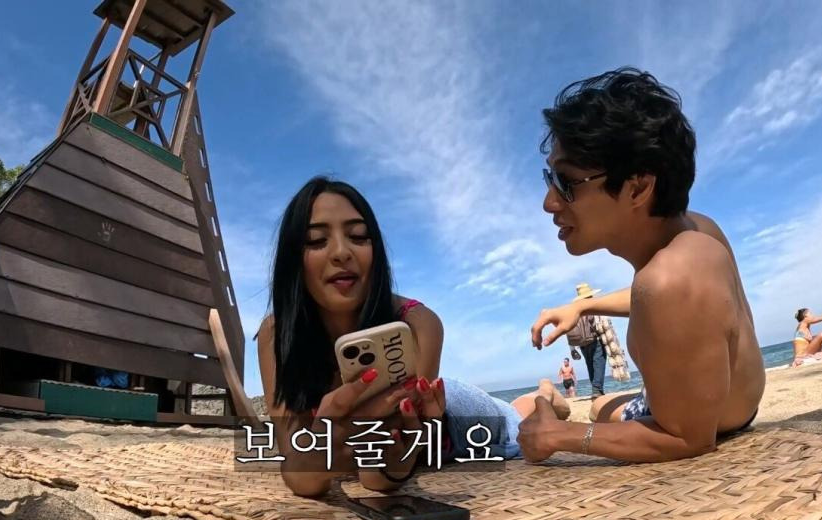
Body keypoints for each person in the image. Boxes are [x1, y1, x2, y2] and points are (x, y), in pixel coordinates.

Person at [257, 177, 567, 496]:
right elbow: (297, 469)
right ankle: (542, 394)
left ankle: (546, 395)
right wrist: (318, 454)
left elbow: (382, 474)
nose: (341, 252)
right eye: (316, 240)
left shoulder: (418, 322)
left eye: (359, 236)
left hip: (455, 418)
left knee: (516, 418)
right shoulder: (276, 335)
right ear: (293, 259)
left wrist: (373, 456)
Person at [523, 68, 765, 464]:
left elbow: (689, 439)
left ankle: (549, 400)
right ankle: (553, 397)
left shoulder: (670, 279)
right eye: (550, 178)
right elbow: (675, 307)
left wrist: (560, 436)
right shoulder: (698, 231)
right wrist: (583, 306)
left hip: (699, 424)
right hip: (731, 404)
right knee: (600, 406)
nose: (549, 202)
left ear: (637, 187)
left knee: (596, 412)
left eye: (566, 182)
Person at [566, 283, 607, 398]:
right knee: (598, 362)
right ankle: (597, 389)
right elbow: (601, 324)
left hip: (582, 343)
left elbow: (570, 329)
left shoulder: (575, 310)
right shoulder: (592, 306)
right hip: (596, 339)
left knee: (590, 364)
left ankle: (595, 389)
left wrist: (572, 349)